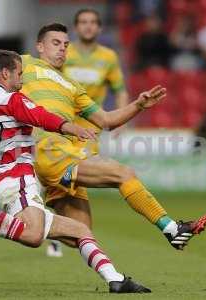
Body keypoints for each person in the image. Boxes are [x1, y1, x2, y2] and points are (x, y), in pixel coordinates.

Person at [0, 7, 206, 253]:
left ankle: (12, 218)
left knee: (81, 234)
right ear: (39, 47)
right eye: (56, 43)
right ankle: (172, 229)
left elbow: (106, 120)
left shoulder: (72, 86)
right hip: (48, 152)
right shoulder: (25, 66)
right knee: (122, 173)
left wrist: (138, 105)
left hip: (65, 155)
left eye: (66, 44)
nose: (62, 49)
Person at [0, 49, 150, 294]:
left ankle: (115, 279)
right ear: (5, 73)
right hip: (19, 181)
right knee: (34, 236)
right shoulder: (13, 100)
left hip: (4, 184)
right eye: (19, 73)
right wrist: (70, 127)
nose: (22, 79)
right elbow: (39, 116)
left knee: (80, 231)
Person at [46, 8, 130, 256]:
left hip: (90, 130)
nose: (88, 26)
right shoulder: (63, 53)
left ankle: (57, 227)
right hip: (60, 125)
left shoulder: (108, 57)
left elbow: (120, 88)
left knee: (70, 178)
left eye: (93, 22)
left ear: (100, 28)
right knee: (58, 178)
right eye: (83, 22)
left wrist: (122, 117)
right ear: (76, 27)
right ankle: (57, 226)